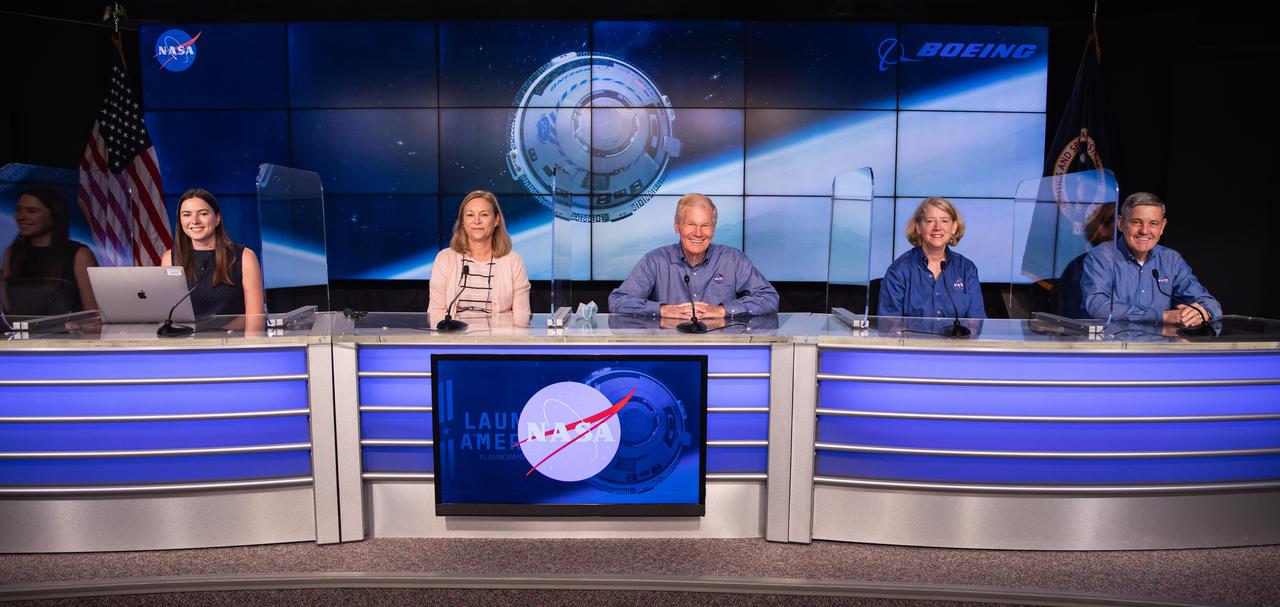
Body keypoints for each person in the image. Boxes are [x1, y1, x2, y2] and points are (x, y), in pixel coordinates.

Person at [609, 193, 778, 319]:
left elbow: (769, 298)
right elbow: (618, 301)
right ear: (677, 226)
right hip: (669, 349)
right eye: (691, 224)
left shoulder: (733, 259)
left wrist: (723, 310)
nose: (698, 233)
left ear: (714, 228)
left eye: (705, 225)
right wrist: (663, 309)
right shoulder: (655, 261)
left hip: (721, 347)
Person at [1082, 192, 1220, 326]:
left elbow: (1209, 302)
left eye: (1153, 223)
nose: (1144, 230)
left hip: (1159, 346)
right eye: (1137, 222)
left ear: (1162, 227)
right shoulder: (1101, 256)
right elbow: (1097, 306)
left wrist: (1202, 312)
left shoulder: (1171, 259)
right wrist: (1161, 316)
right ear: (1121, 223)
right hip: (1114, 346)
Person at [429, 190, 530, 326]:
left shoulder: (513, 261)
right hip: (455, 343)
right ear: (463, 222)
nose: (477, 221)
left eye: (484, 215)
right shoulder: (445, 259)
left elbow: (521, 319)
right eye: (470, 215)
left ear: (496, 220)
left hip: (499, 343)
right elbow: (436, 312)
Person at [161, 189, 265, 320]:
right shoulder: (169, 258)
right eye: (186, 215)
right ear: (180, 221)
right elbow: (167, 317)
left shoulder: (245, 257)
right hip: (186, 339)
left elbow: (255, 318)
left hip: (233, 338)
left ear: (217, 218)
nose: (194, 221)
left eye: (203, 214)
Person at [878, 197, 985, 319]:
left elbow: (976, 322)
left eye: (944, 221)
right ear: (918, 227)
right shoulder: (899, 270)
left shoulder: (966, 269)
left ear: (954, 227)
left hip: (957, 338)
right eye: (930, 221)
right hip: (912, 338)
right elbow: (889, 325)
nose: (937, 227)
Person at [2, 185, 98, 315]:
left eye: (31, 211)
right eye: (18, 209)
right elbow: (7, 309)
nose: (21, 216)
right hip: (23, 333)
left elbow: (94, 314)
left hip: (69, 334)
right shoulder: (12, 252)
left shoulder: (79, 255)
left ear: (53, 217)